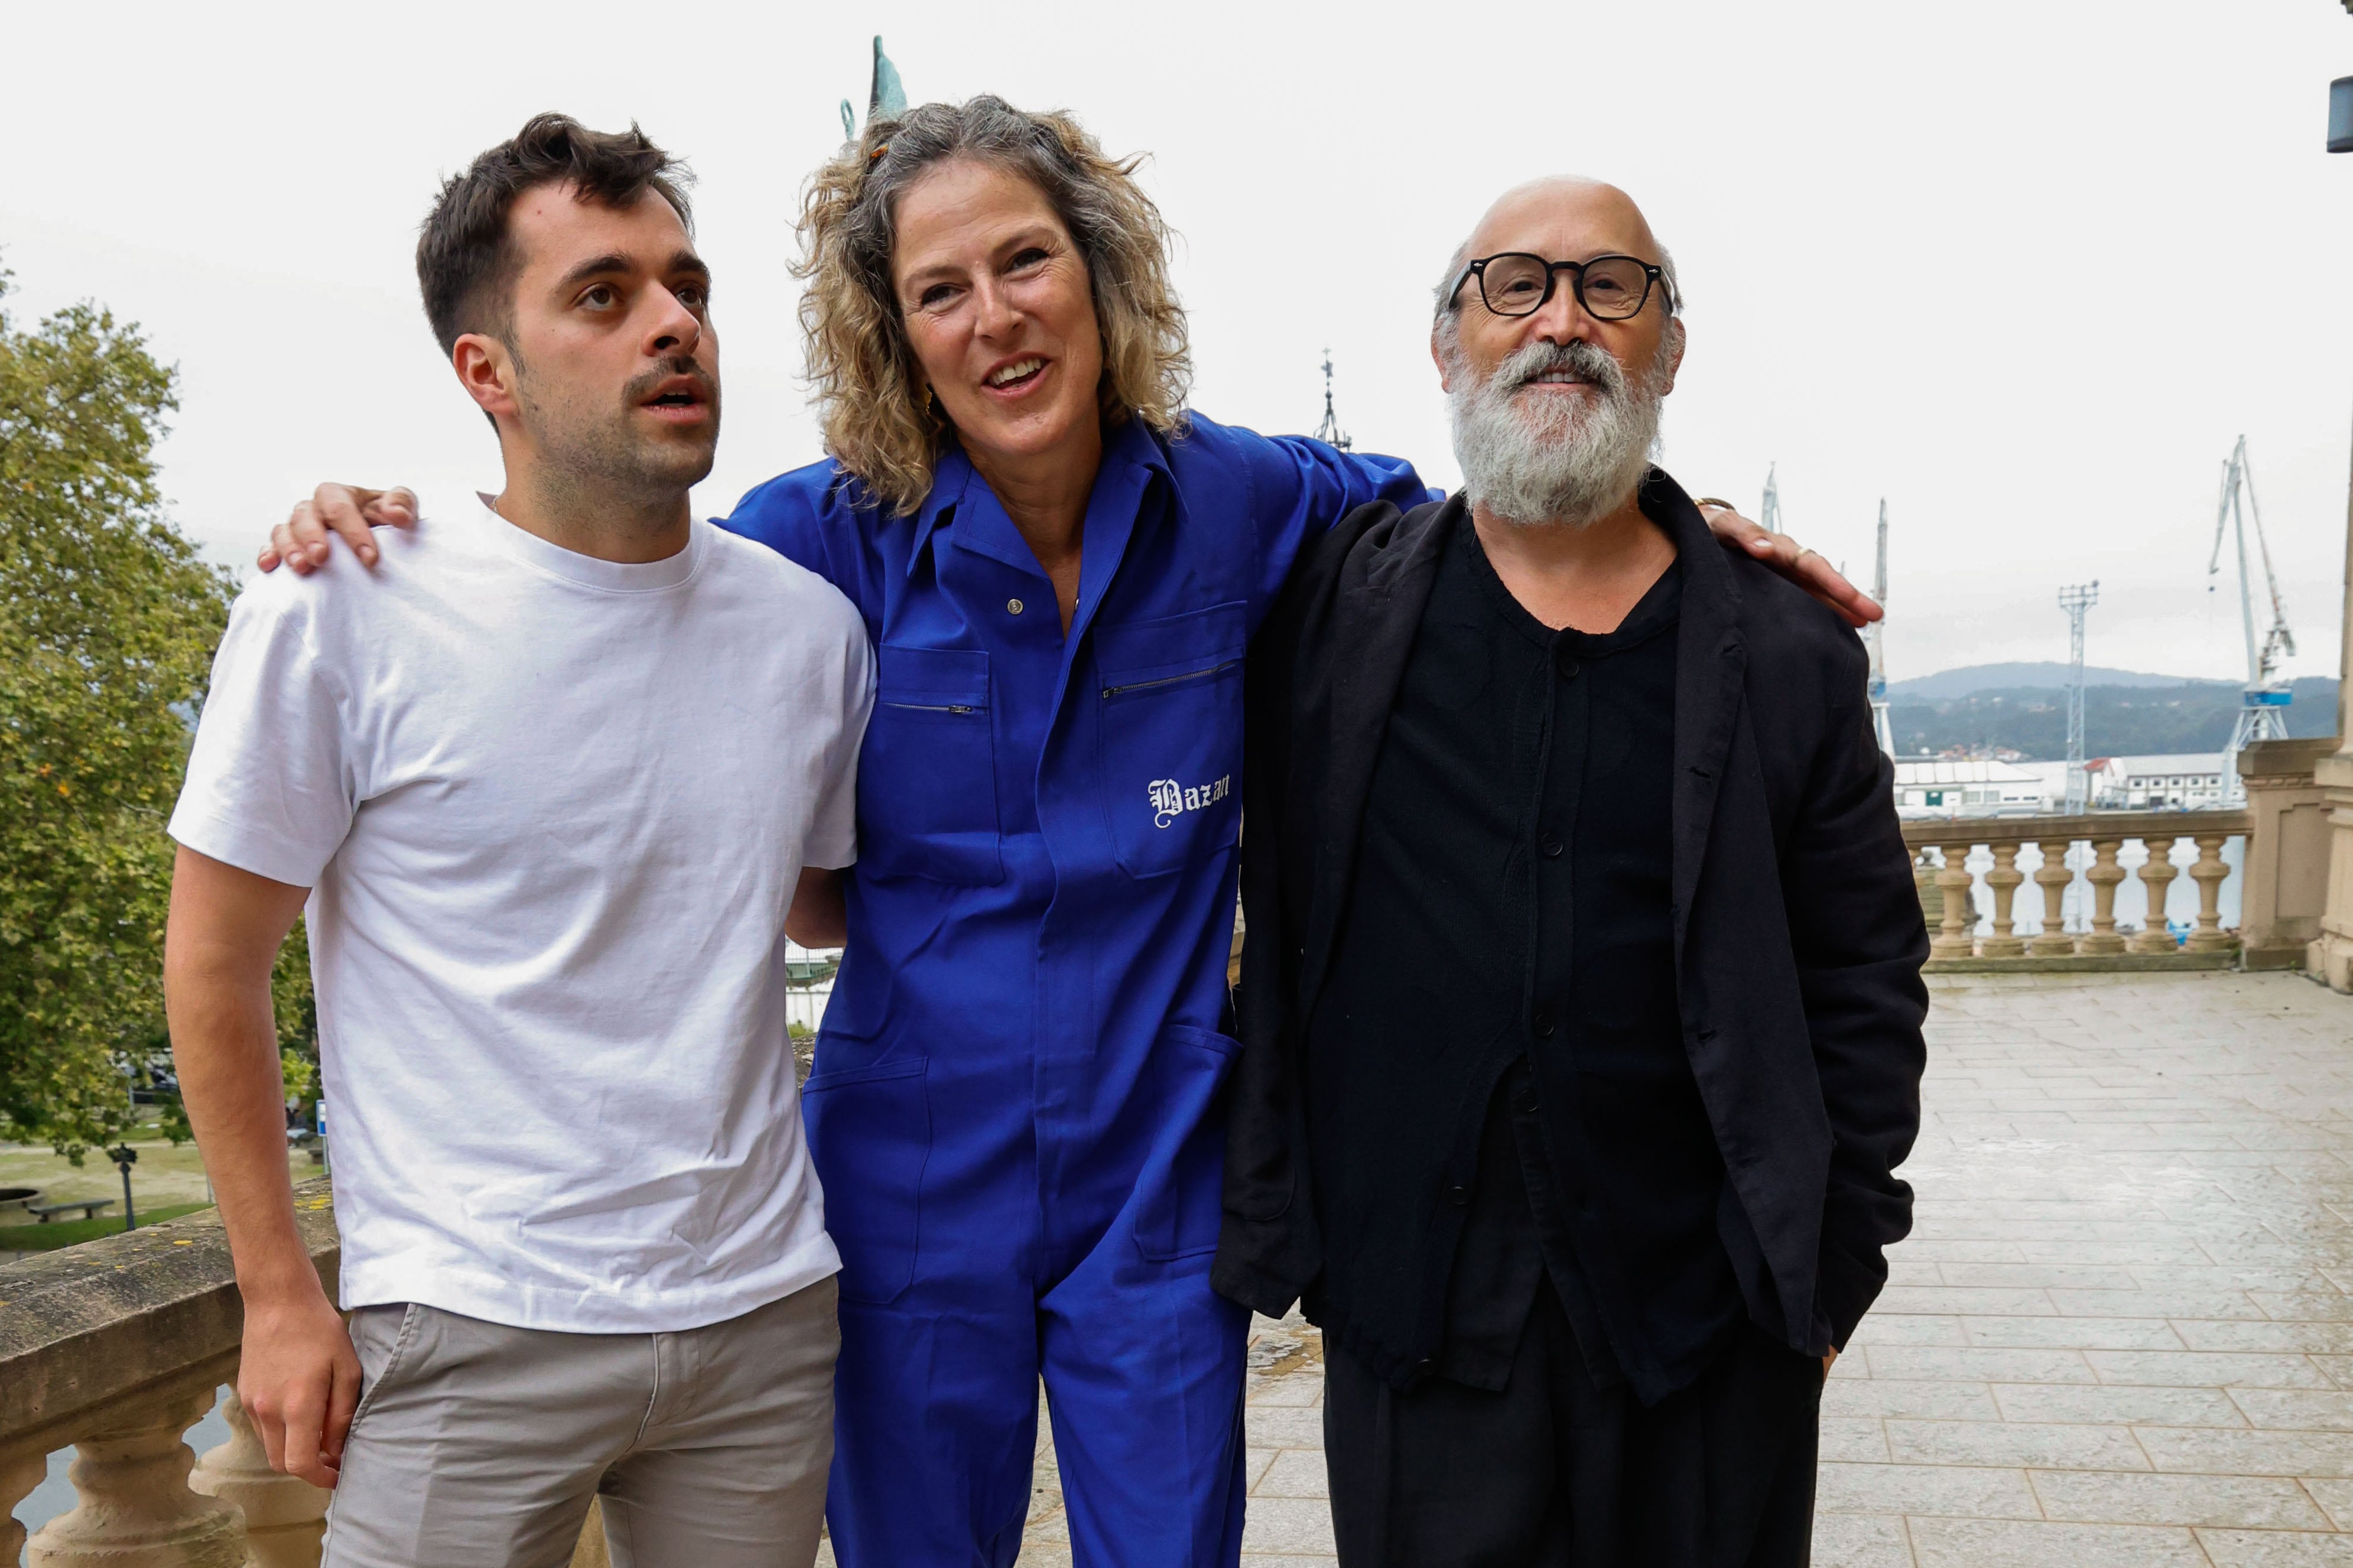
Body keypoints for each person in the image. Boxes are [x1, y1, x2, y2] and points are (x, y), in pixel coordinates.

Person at [257, 101, 1876, 1568]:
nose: (994, 314)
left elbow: (1519, 510)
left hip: (1156, 1185)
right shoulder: (808, 548)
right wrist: (386, 529)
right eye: (938, 290)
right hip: (904, 1184)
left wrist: (1699, 530)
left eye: (1025, 260)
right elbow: (597, 570)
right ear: (895, 337)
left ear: (1099, 279)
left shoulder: (1256, 505)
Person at [164, 115, 870, 1568]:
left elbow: (813, 907)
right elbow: (212, 961)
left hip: (758, 1320)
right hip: (467, 1328)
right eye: (603, 295)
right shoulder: (344, 603)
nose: (674, 325)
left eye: (688, 286)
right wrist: (279, 1292)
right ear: (486, 370)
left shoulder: (809, 631)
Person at [1216, 175, 1929, 1567]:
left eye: (1611, 287)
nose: (1560, 321)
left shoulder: (1785, 658)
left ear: (1665, 348)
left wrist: (1832, 1276)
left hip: (1708, 1332)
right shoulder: (1323, 614)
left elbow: (1864, 979)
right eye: (1513, 285)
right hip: (1415, 1325)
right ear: (1445, 345)